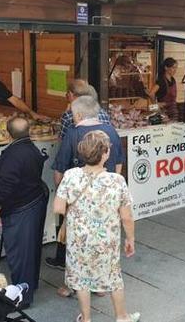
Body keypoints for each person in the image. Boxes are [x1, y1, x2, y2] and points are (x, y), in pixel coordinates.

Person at [53, 131, 139, 322]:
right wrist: (130, 239)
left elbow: (58, 208)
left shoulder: (70, 175)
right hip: (106, 239)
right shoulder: (117, 181)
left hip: (78, 239)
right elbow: (126, 217)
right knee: (113, 276)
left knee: (82, 280)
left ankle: (86, 318)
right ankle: (122, 317)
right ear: (106, 153)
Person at [46, 95, 124, 295]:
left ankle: (71, 286)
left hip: (78, 203)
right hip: (105, 200)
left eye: (72, 114)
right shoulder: (112, 132)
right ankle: (99, 287)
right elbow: (118, 165)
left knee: (77, 245)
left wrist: (62, 192)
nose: (72, 118)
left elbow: (60, 168)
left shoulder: (73, 133)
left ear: (79, 114)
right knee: (101, 242)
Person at [0, 117, 48, 308]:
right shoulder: (31, 149)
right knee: (30, 250)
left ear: (7, 134)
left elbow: (6, 185)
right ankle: (30, 286)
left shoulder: (14, 155)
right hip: (33, 201)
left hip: (21, 208)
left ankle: (23, 297)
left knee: (21, 254)